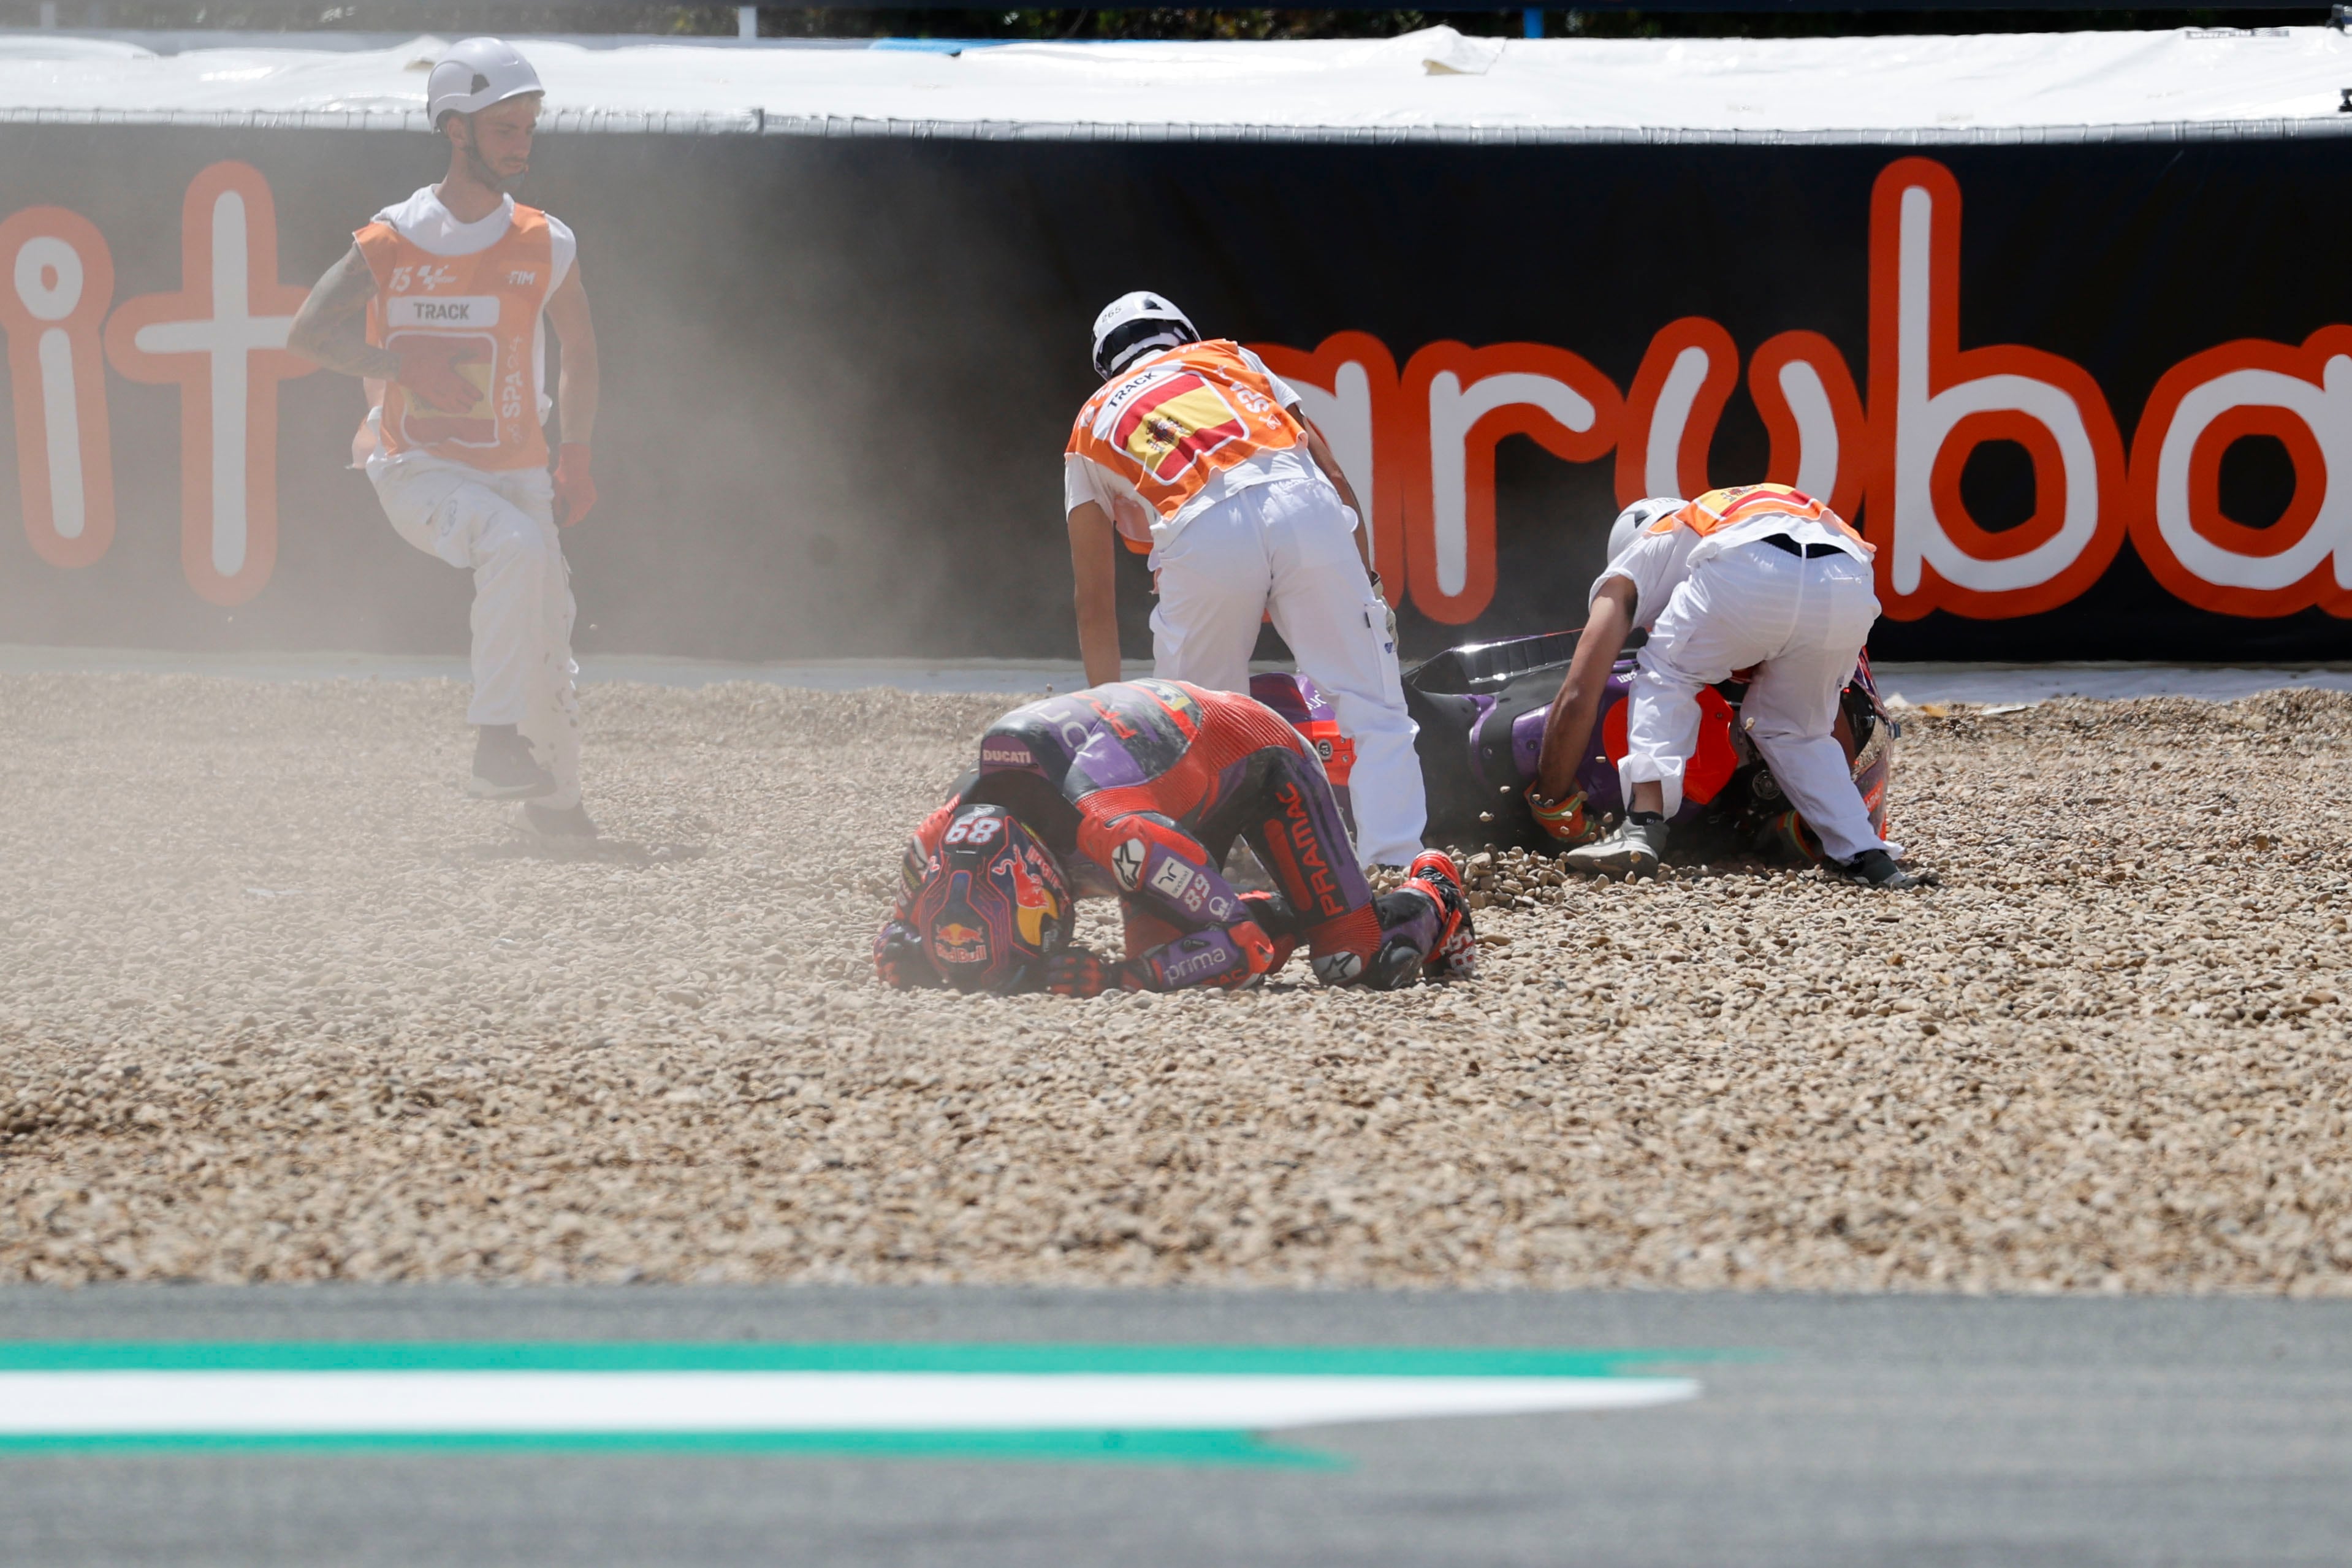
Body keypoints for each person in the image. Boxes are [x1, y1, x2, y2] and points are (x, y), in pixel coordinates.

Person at [287, 38, 601, 838]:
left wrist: (576, 456)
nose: (522, 142)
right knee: (515, 548)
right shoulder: (392, 239)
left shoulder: (548, 240)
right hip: (415, 468)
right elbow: (306, 333)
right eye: (505, 127)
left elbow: (583, 350)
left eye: (529, 125)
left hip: (521, 466)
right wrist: (398, 364)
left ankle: (554, 804)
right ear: (456, 130)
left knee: (550, 627)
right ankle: (494, 745)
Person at [1062, 292, 1426, 869]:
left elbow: (1093, 600)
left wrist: (1107, 718)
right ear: (1182, 334)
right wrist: (1370, 590)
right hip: (1303, 506)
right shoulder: (1231, 358)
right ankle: (1399, 869)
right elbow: (1333, 477)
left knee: (1190, 728)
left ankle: (1203, 883)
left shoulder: (1088, 424)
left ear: (1107, 366)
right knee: (1374, 707)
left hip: (1199, 531)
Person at [873, 678, 1475, 995]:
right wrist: (916, 952)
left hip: (1254, 752)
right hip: (1158, 778)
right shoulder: (938, 837)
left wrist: (1115, 980)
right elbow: (896, 936)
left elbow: (1243, 951)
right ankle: (1307, 911)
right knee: (1165, 960)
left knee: (1351, 962)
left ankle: (1434, 895)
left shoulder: (1120, 835)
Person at [1528, 484, 1924, 888]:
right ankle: (1866, 855)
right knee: (1798, 731)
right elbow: (1832, 726)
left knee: (1667, 672)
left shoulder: (1639, 559)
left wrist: (1551, 801)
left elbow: (1579, 693)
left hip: (1752, 567)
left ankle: (1643, 824)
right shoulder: (1711, 525)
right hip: (1848, 575)